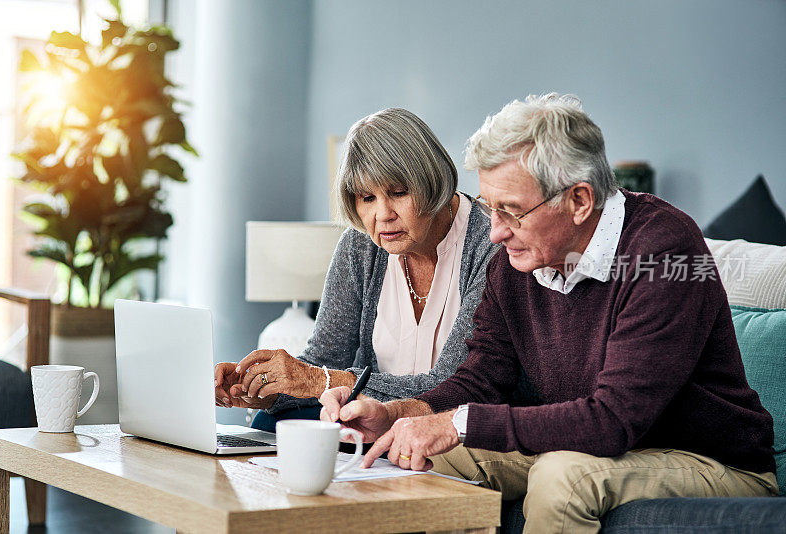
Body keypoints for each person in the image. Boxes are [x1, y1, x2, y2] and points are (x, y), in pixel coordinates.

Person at [319, 94, 778, 533]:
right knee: (421, 454)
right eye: (489, 208)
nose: (495, 232)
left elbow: (614, 420)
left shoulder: (662, 250)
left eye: (512, 211)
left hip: (705, 460)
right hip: (590, 444)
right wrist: (397, 415)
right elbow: (479, 381)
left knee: (563, 478)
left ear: (578, 201)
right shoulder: (521, 259)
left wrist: (458, 423)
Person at [214, 108, 498, 432]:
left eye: (399, 192)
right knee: (271, 421)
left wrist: (314, 380)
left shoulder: (491, 244)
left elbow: (451, 387)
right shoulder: (360, 245)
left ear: (432, 181)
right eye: (367, 198)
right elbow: (323, 361)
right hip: (366, 422)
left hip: (446, 427)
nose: (382, 214)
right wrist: (262, 390)